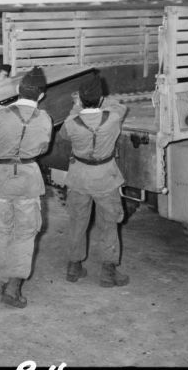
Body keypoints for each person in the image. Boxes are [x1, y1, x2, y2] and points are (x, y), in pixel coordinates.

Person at [0, 66, 52, 308]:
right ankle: (15, 281)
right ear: (41, 95)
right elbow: (43, 149)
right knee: (26, 233)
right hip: (28, 181)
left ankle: (6, 277)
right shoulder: (45, 119)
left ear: (18, 90)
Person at [59, 74, 129, 287]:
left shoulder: (71, 122)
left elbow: (63, 135)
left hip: (79, 177)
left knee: (77, 222)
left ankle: (74, 267)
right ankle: (108, 272)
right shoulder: (114, 118)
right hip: (105, 177)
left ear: (80, 98)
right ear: (100, 99)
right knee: (109, 224)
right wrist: (100, 99)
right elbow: (120, 106)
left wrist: (76, 106)